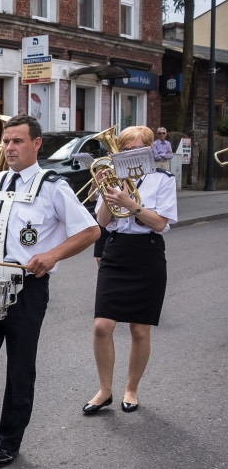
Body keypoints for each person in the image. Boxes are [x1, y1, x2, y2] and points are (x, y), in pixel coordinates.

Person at [0, 115, 99, 469]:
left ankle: (9, 441)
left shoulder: (53, 186)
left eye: (17, 141)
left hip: (26, 289)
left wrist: (50, 255)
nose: (10, 148)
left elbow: (89, 231)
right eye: (6, 141)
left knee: (19, 369)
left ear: (36, 144)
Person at [83, 126, 177, 416]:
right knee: (102, 326)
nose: (128, 155)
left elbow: (160, 224)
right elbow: (101, 221)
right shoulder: (112, 177)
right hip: (116, 250)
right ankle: (104, 390)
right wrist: (105, 192)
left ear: (147, 151)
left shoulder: (162, 179)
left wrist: (131, 204)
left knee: (139, 329)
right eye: (123, 150)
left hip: (147, 253)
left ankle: (131, 389)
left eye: (135, 150)